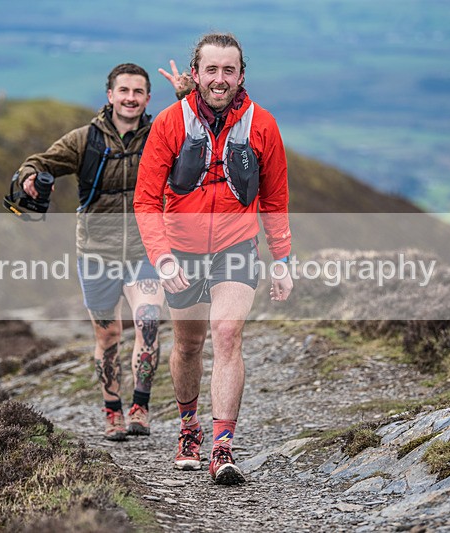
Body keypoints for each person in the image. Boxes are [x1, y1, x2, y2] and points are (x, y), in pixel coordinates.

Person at [134, 33, 294, 485]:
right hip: (180, 251)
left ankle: (222, 447)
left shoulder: (264, 125)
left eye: (229, 70)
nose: (220, 79)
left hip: (236, 246)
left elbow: (275, 197)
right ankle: (189, 429)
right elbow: (146, 201)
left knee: (227, 334)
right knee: (188, 344)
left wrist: (281, 260)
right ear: (197, 75)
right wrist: (162, 258)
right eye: (212, 70)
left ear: (241, 75)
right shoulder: (169, 123)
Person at [16, 62, 192, 441]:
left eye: (138, 92)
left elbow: (199, 133)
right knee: (108, 336)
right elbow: (43, 162)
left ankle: (140, 407)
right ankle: (112, 411)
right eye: (123, 91)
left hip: (148, 248)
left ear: (147, 98)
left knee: (147, 321)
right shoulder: (85, 140)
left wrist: (186, 95)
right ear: (110, 95)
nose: (130, 98)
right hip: (97, 252)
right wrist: (30, 177)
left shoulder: (161, 132)